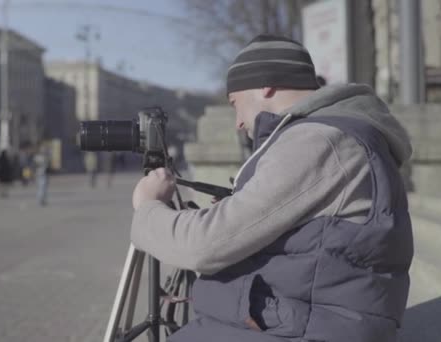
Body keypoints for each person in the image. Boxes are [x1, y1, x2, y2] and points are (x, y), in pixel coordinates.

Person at [130, 35, 413, 342]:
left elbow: (205, 246)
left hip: (308, 327)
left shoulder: (318, 140)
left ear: (264, 85)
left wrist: (148, 207)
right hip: (305, 317)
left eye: (234, 103)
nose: (238, 123)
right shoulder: (331, 134)